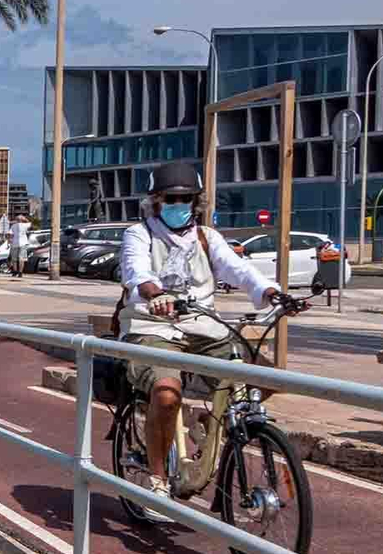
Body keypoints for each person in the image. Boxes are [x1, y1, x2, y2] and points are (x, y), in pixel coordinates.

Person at [118, 160, 285, 506]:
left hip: (203, 325)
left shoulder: (207, 238)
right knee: (166, 395)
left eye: (187, 199)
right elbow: (136, 271)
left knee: (265, 378)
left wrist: (270, 292)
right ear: (156, 201)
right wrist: (155, 294)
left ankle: (211, 424)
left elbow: (237, 268)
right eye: (171, 199)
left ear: (197, 202)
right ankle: (158, 480)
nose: (180, 206)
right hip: (153, 325)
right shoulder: (140, 234)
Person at [8, 213, 33, 278]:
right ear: (22, 219)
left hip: (14, 243)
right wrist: (25, 219)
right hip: (23, 243)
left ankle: (15, 272)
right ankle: (20, 272)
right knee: (22, 259)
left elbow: (10, 235)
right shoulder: (25, 225)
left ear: (16, 219)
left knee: (14, 259)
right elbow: (30, 223)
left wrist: (9, 242)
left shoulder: (13, 226)